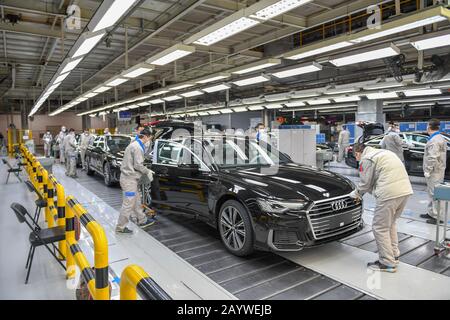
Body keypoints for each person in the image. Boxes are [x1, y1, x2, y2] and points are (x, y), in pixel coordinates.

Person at [350, 142, 413, 273]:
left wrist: (355, 194)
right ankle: (394, 255)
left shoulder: (366, 158)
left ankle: (387, 262)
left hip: (389, 194)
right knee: (390, 224)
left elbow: (365, 183)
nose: (357, 160)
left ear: (357, 153)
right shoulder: (384, 152)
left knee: (379, 227)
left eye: (356, 157)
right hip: (405, 191)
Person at [116, 128, 156, 233]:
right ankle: (121, 227)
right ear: (146, 136)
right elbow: (138, 165)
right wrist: (147, 171)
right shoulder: (137, 147)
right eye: (150, 137)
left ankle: (142, 220)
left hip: (131, 179)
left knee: (137, 200)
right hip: (129, 180)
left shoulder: (135, 144)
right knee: (128, 203)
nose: (149, 140)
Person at [420, 119, 447, 225]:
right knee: (432, 193)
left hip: (434, 171)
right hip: (437, 170)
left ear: (429, 127)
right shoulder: (439, 138)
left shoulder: (434, 140)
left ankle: (437, 217)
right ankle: (431, 213)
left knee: (435, 194)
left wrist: (428, 170)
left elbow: (432, 157)